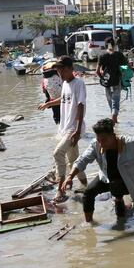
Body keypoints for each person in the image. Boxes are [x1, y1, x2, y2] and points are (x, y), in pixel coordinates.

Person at [38, 55, 88, 200]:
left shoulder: (79, 84)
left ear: (68, 69)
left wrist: (78, 130)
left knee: (58, 153)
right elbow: (64, 99)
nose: (59, 75)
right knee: (74, 160)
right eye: (58, 72)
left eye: (60, 71)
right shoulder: (65, 83)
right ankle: (85, 186)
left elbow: (80, 105)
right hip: (65, 127)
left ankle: (60, 189)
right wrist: (48, 103)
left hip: (73, 128)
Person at [96, 37, 127, 124]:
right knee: (116, 100)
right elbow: (125, 68)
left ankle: (114, 118)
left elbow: (97, 71)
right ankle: (114, 117)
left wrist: (102, 79)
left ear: (106, 45)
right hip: (116, 81)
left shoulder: (102, 56)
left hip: (107, 82)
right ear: (115, 45)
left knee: (110, 100)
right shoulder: (119, 55)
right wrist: (123, 75)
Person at [39, 60, 62, 125]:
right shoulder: (60, 76)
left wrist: (47, 100)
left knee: (57, 117)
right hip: (64, 100)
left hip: (53, 101)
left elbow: (45, 91)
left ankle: (58, 128)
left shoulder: (44, 80)